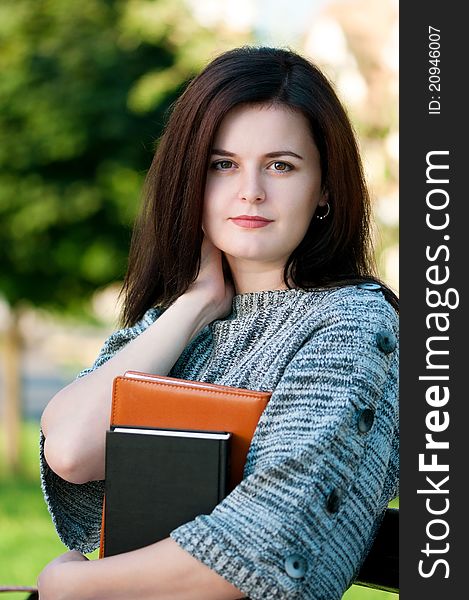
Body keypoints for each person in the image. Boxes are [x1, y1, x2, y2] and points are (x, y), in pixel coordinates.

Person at [37, 45, 399, 599]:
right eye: (222, 164)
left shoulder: (354, 327)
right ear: (192, 181)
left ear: (325, 187)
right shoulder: (179, 320)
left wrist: (79, 587)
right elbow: (71, 448)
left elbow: (268, 544)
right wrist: (196, 304)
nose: (250, 189)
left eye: (281, 165)